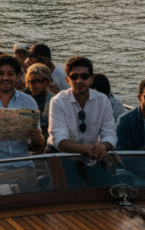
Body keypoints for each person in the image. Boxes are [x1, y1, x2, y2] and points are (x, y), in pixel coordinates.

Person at [47, 56, 118, 187]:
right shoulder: (58, 101)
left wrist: (104, 146)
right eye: (74, 77)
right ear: (67, 80)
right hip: (62, 157)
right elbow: (60, 141)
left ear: (91, 79)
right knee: (75, 189)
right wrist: (89, 150)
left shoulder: (103, 100)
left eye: (84, 76)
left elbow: (110, 134)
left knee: (108, 189)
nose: (79, 80)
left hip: (92, 157)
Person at [23, 64, 54, 135]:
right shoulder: (23, 98)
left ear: (47, 83)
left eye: (38, 81)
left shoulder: (53, 101)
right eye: (31, 81)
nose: (34, 85)